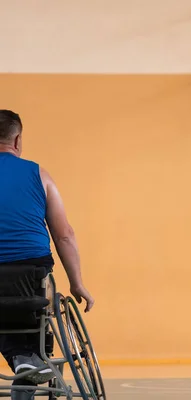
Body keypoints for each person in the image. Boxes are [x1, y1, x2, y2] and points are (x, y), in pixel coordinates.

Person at [0, 110, 94, 400]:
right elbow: (64, 233)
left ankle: (22, 358)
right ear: (17, 140)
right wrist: (77, 283)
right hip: (33, 274)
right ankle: (27, 358)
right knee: (31, 312)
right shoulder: (39, 174)